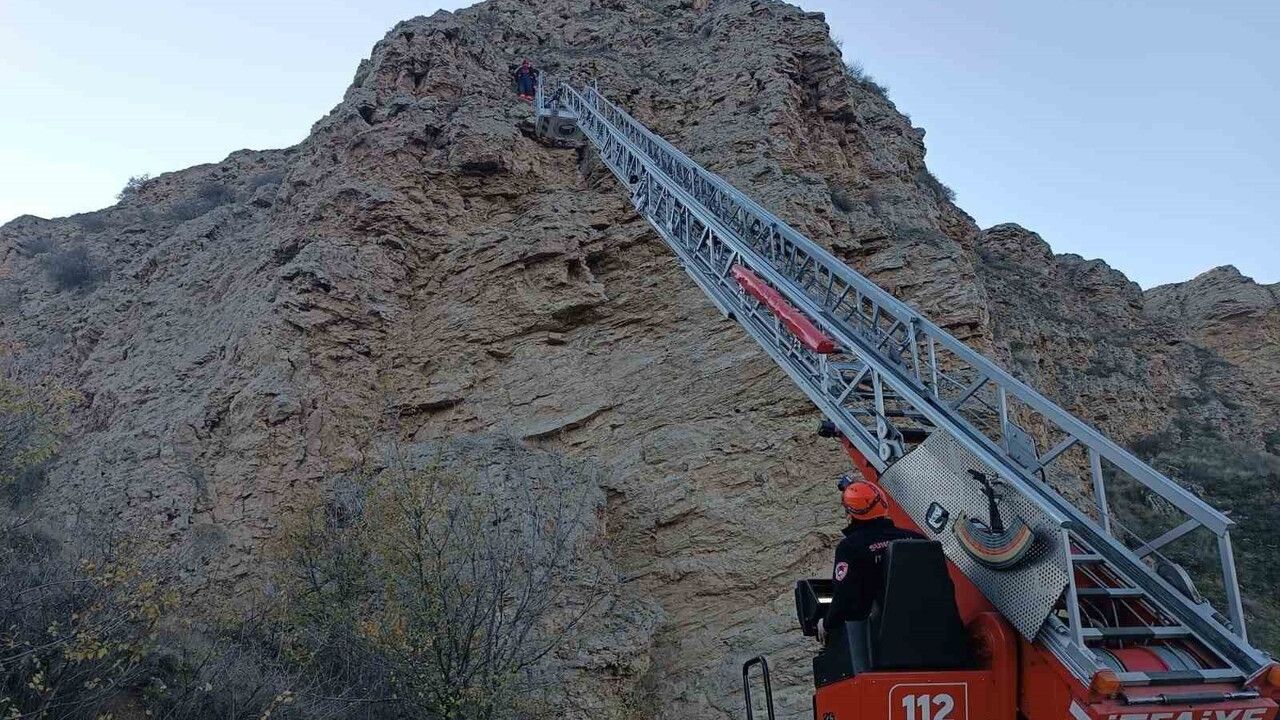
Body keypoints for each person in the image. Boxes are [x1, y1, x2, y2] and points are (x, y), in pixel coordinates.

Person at [816, 475, 923, 645]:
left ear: (849, 513)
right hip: (936, 639)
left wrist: (827, 624)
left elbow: (844, 597)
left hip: (886, 644)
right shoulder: (919, 541)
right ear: (884, 504)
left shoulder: (851, 547)